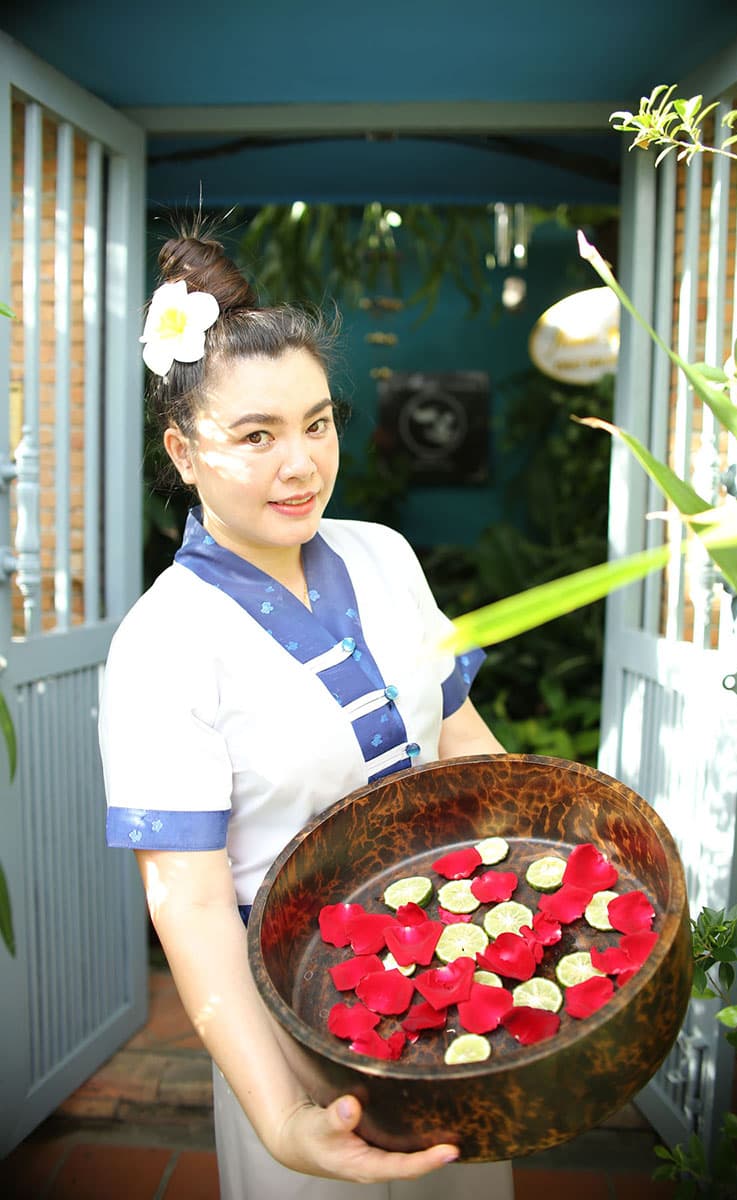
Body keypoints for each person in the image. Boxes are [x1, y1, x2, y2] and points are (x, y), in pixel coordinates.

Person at [98, 230, 514, 1200]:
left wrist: (546, 881)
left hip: (458, 976)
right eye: (256, 435)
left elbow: (462, 746)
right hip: (300, 1024)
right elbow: (189, 904)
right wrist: (280, 1117)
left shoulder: (383, 557)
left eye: (317, 423)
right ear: (182, 451)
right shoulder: (163, 644)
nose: (300, 463)